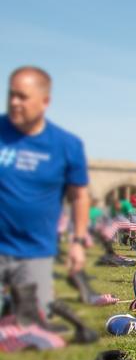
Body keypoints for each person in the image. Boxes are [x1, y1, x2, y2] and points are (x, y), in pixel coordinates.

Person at [0, 66, 89, 315]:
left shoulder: (66, 145)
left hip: (35, 249)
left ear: (45, 101)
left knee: (31, 324)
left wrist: (78, 242)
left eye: (23, 96)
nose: (14, 103)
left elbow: (79, 195)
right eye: (11, 95)